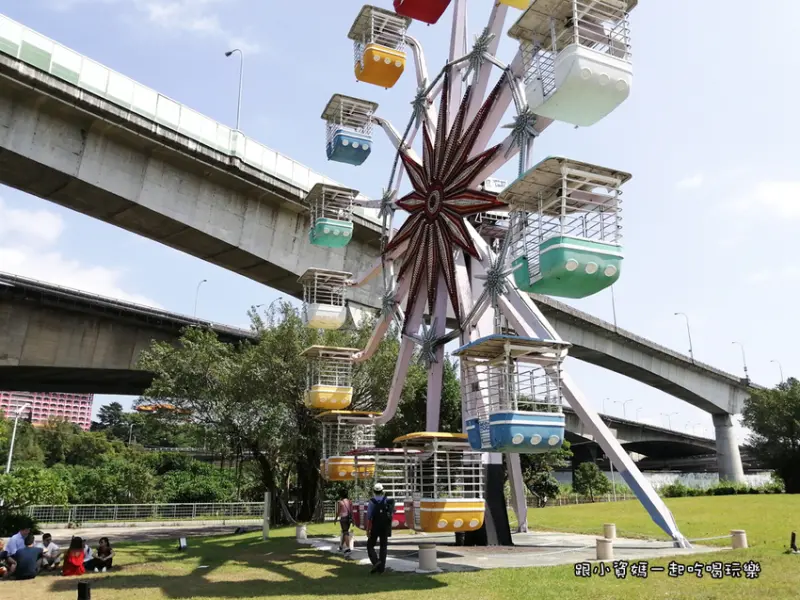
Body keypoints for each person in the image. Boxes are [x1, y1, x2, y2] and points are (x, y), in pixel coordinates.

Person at [365, 483, 393, 574]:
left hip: (375, 526)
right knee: (383, 547)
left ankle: (376, 561)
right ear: (382, 491)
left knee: (370, 545)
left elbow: (369, 516)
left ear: (374, 491)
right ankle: (381, 569)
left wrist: (368, 529)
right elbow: (391, 513)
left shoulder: (372, 501)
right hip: (384, 526)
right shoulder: (386, 500)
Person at [335, 490, 353, 554]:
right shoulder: (350, 501)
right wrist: (352, 520)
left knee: (345, 532)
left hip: (343, 519)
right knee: (344, 531)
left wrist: (336, 518)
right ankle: (341, 546)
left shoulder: (341, 502)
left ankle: (348, 548)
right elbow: (351, 511)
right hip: (349, 519)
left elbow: (338, 512)